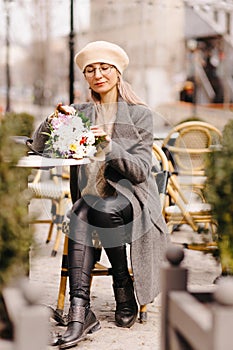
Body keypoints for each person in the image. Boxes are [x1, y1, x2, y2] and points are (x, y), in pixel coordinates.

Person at [32, 40, 169, 349]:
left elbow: (140, 172)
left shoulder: (139, 115)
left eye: (105, 68)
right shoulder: (80, 113)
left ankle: (112, 289)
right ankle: (82, 313)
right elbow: (40, 147)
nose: (98, 74)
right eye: (90, 70)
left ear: (118, 73)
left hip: (133, 200)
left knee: (90, 209)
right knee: (85, 209)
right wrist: (53, 121)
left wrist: (109, 145)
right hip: (91, 201)